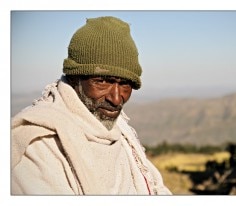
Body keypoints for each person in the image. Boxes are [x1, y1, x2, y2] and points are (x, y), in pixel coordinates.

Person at [11, 16, 172, 195]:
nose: (117, 99)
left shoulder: (123, 133)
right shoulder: (39, 145)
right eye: (102, 81)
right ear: (74, 78)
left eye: (125, 84)